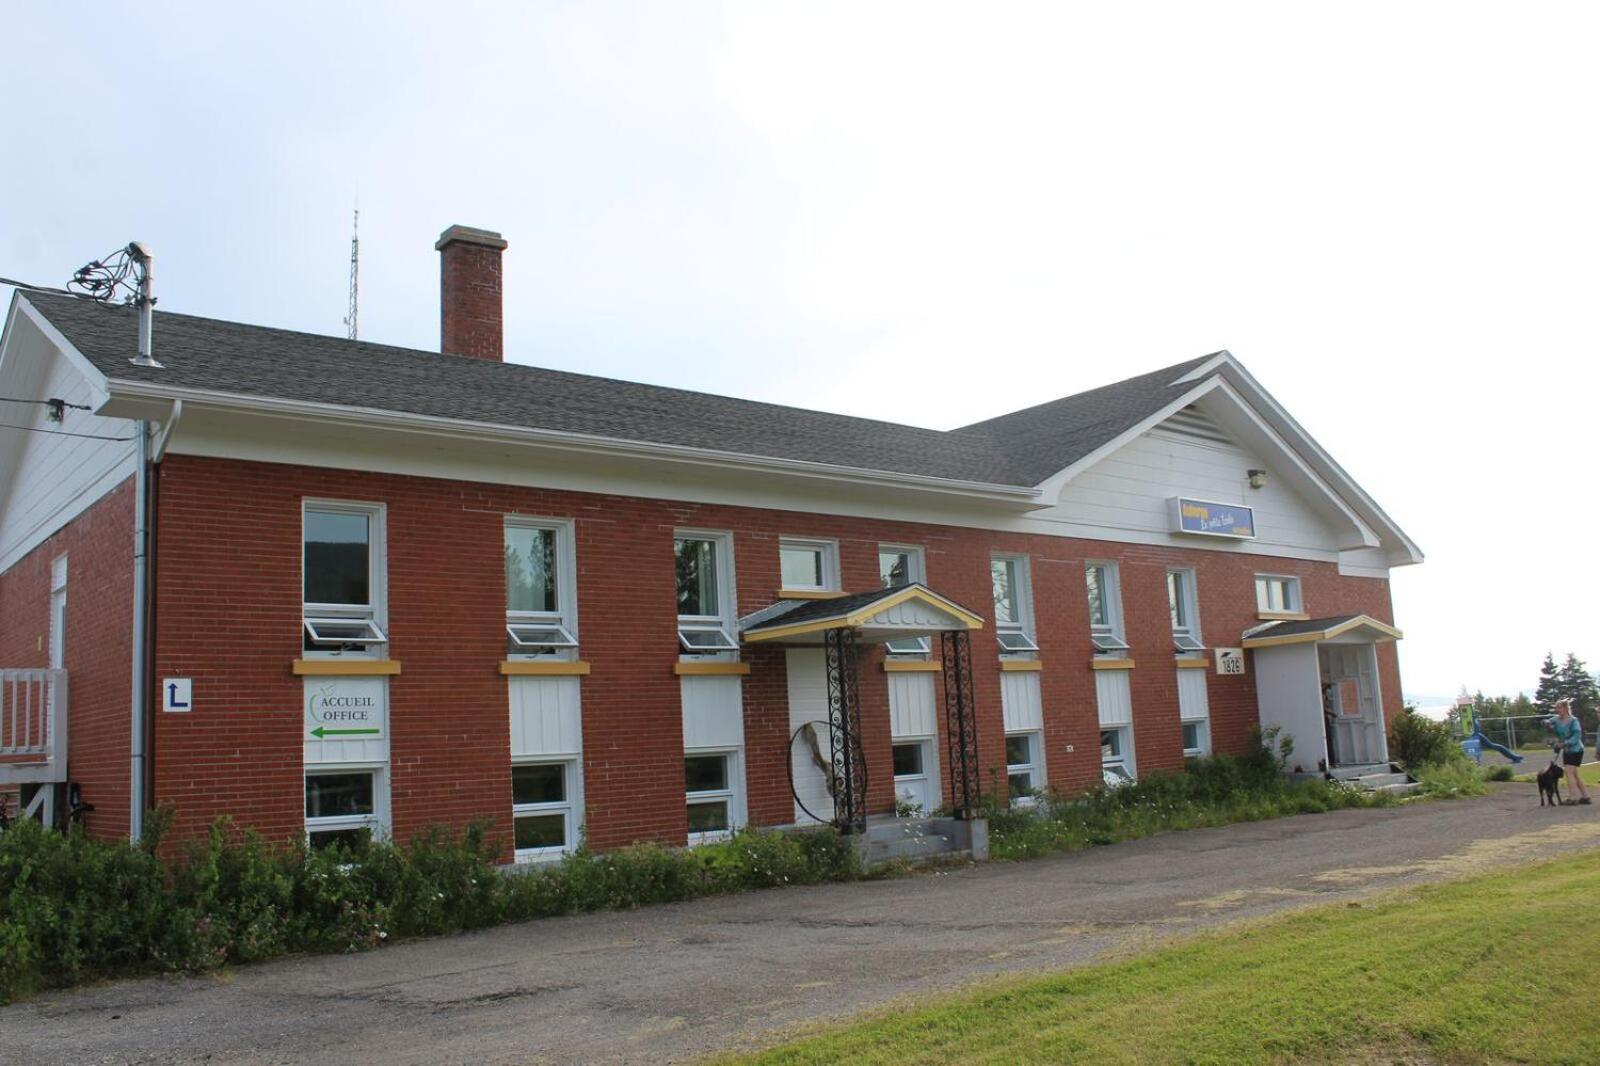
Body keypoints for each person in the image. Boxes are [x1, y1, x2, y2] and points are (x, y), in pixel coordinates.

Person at [1550, 699, 1590, 805]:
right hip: (1567, 751)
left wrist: (1565, 743)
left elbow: (1577, 735)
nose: (1557, 710)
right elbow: (1549, 722)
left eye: (1559, 708)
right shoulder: (1557, 719)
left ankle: (1573, 798)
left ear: (1565, 708)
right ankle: (1586, 796)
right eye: (1556, 708)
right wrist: (1546, 723)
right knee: (1574, 774)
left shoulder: (1573, 720)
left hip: (1576, 749)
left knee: (1568, 772)